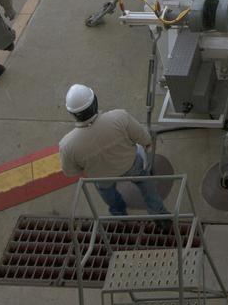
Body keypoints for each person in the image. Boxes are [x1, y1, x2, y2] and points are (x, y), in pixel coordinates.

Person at [58, 84, 168, 217]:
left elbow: (70, 172)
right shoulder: (119, 117)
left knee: (107, 192)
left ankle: (118, 213)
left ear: (72, 113)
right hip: (130, 165)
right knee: (144, 182)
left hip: (101, 176)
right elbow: (145, 139)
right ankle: (159, 213)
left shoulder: (67, 145)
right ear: (95, 102)